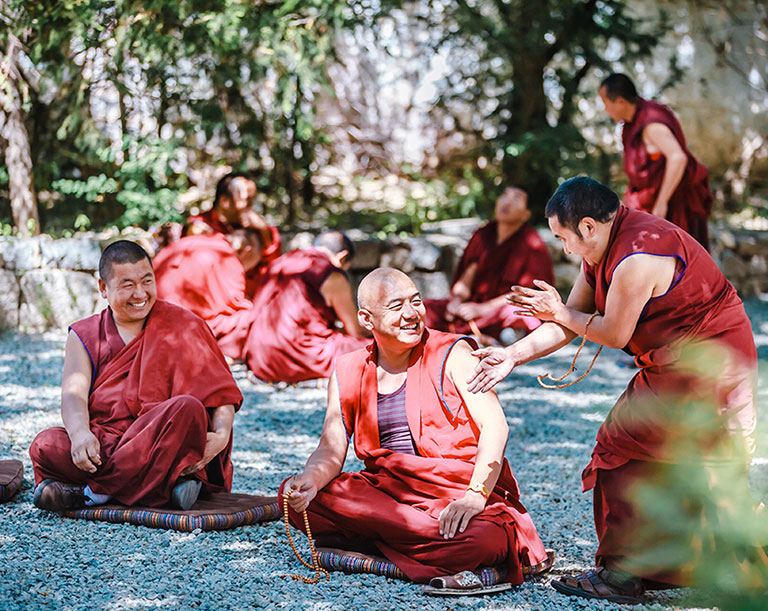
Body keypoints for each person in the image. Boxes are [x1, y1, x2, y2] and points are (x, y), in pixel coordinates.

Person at [468, 177, 762, 603]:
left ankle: (626, 573)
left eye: (564, 238)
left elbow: (611, 330)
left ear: (588, 226)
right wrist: (512, 355)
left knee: (637, 449)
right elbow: (570, 322)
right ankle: (659, 565)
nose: (566, 250)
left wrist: (560, 312)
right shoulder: (605, 244)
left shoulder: (636, 257)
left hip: (710, 363)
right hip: (673, 363)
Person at [280, 268, 550, 589]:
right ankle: (408, 545)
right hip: (387, 493)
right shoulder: (348, 369)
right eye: (397, 307)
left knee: (484, 540)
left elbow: (495, 425)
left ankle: (375, 543)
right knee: (293, 497)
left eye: (416, 302)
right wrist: (310, 481)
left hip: (453, 494)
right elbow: (331, 446)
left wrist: (474, 498)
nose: (412, 314)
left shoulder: (453, 354)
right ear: (367, 320)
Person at [29, 240, 243, 512]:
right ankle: (163, 488)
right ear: (103, 288)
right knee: (45, 445)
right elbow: (73, 395)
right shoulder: (85, 334)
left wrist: (222, 434)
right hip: (107, 444)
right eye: (128, 285)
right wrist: (81, 434)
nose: (140, 293)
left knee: (187, 409)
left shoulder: (184, 325)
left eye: (147, 281)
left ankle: (93, 493)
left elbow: (220, 392)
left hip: (162, 438)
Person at [599, 73, 713, 249]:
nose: (606, 110)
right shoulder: (631, 123)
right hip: (652, 204)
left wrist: (661, 203)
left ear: (620, 102)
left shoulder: (651, 124)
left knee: (680, 264)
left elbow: (678, 158)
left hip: (674, 204)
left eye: (606, 103)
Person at [425, 187, 554, 342]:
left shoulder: (531, 242)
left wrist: (483, 309)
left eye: (516, 199)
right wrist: (457, 300)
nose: (507, 202)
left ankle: (507, 335)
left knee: (518, 312)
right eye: (504, 195)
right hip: (471, 307)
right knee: (427, 308)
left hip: (500, 309)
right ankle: (488, 337)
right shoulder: (483, 234)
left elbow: (527, 293)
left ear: (526, 214)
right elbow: (468, 273)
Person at [243, 231, 370, 384]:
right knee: (373, 348)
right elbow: (355, 331)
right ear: (342, 256)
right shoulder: (330, 273)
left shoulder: (280, 261)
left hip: (259, 358)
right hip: (294, 356)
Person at [153, 229, 262, 360]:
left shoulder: (188, 241)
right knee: (251, 318)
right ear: (247, 250)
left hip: (152, 320)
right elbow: (232, 306)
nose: (248, 271)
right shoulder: (227, 258)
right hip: (181, 331)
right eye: (251, 267)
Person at [186, 172, 282, 295]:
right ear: (225, 201)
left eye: (253, 200)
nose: (251, 207)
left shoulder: (255, 226)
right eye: (247, 200)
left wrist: (263, 230)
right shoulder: (201, 227)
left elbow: (274, 264)